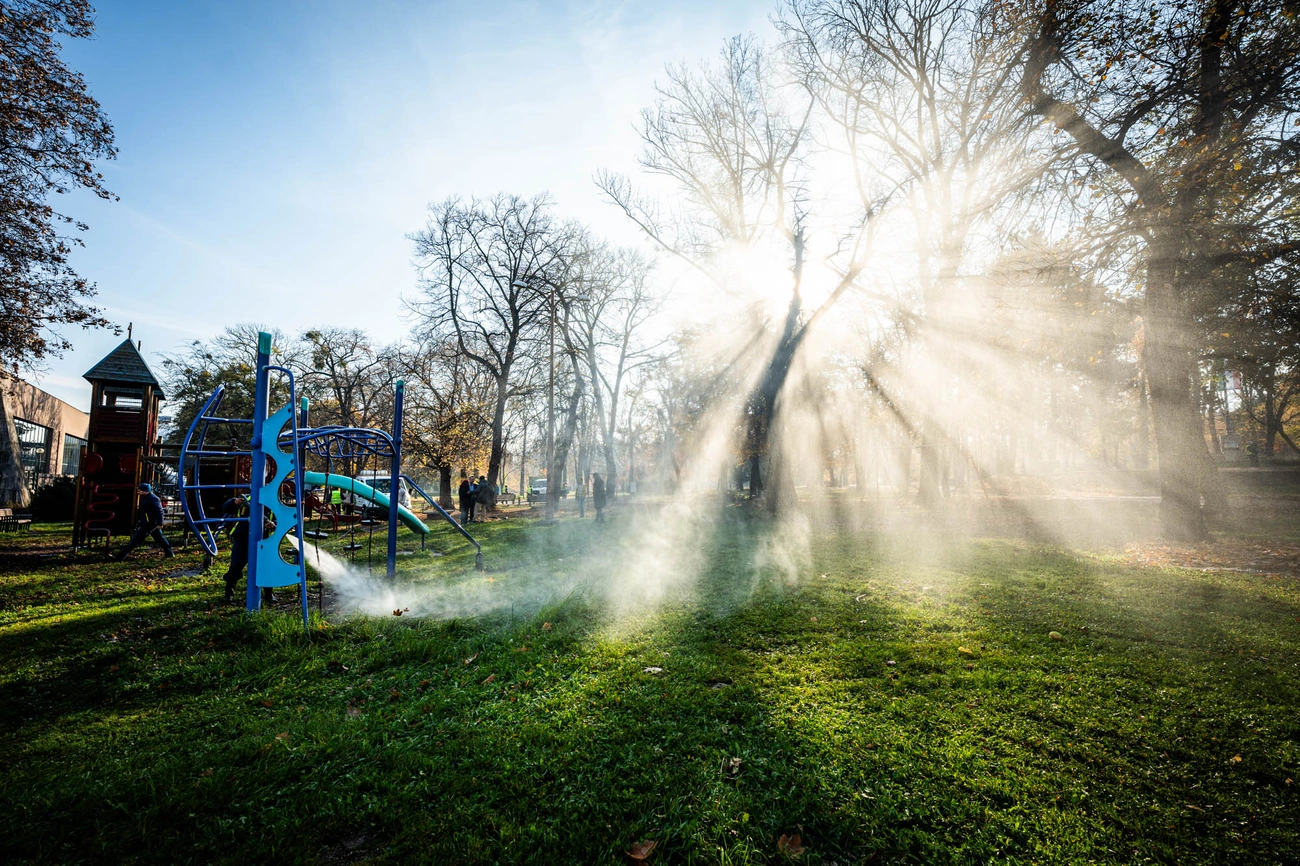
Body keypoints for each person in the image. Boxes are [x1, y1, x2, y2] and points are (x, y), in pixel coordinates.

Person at [221, 493, 275, 606]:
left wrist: (273, 524)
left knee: (265, 566)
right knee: (236, 565)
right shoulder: (247, 498)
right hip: (243, 537)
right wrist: (234, 502)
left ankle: (269, 594)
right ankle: (228, 594)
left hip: (262, 539)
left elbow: (278, 518)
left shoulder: (272, 501)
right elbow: (226, 508)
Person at [115, 483, 174, 560]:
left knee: (137, 540)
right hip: (148, 523)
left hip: (151, 524)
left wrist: (160, 523)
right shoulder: (148, 498)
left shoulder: (152, 499)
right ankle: (169, 553)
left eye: (140, 490)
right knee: (159, 539)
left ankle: (121, 556)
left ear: (145, 491)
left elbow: (159, 511)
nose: (138, 491)